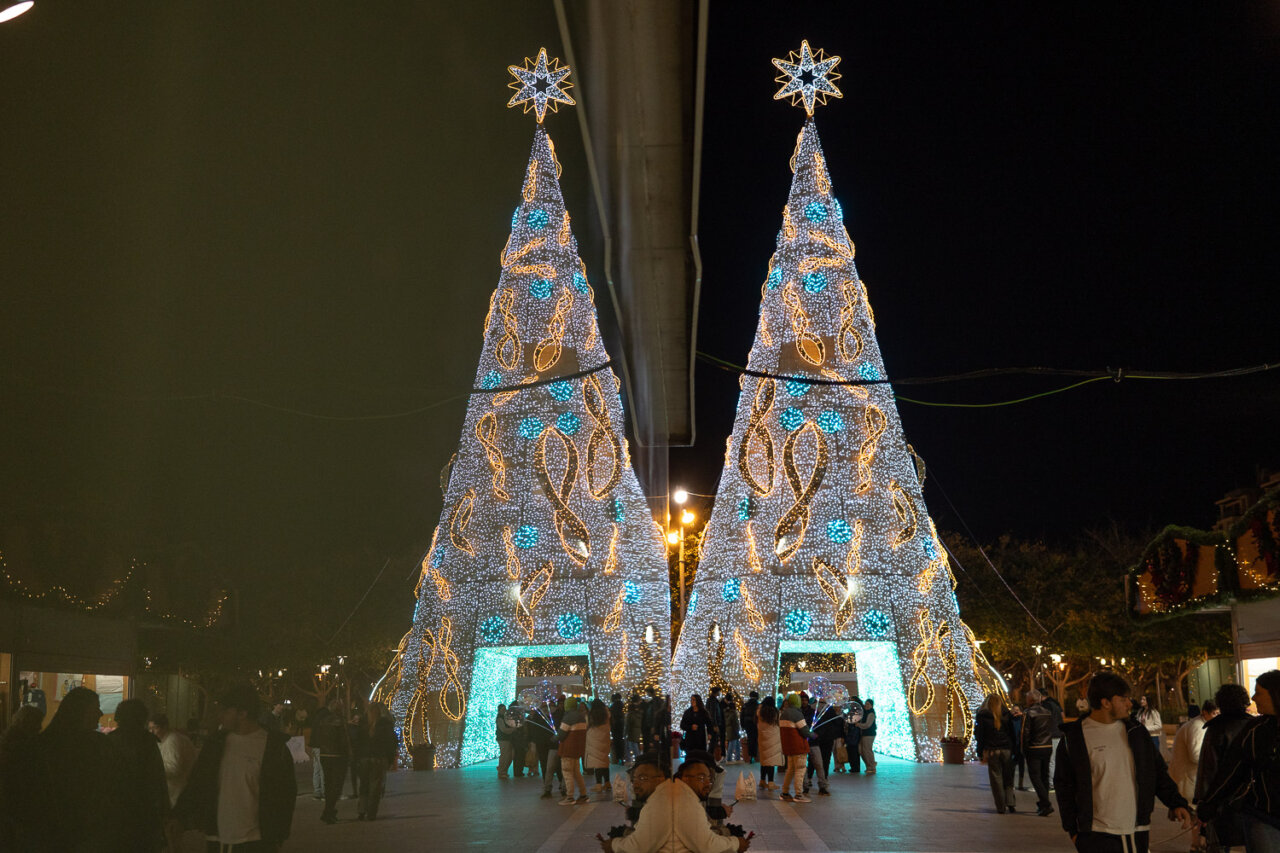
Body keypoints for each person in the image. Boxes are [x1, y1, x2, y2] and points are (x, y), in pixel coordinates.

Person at [1054, 672, 1192, 853]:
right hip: (1096, 835)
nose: (1130, 704)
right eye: (1124, 699)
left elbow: (1156, 772)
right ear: (1106, 703)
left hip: (1137, 831)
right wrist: (1074, 832)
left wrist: (1176, 803)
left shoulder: (1136, 732)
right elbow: (1064, 788)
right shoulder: (1073, 739)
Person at [169, 684, 297, 851]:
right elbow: (197, 782)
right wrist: (179, 816)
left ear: (242, 713)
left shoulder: (274, 748)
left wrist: (278, 835)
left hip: (257, 840)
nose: (220, 716)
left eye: (225, 711)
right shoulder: (216, 744)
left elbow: (285, 794)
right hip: (219, 837)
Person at [1198, 670, 1280, 852]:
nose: (1253, 697)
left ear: (1275, 694)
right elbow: (1232, 769)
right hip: (1263, 816)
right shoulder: (1255, 730)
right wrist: (1209, 803)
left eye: (1259, 692)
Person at [601, 754, 748, 853]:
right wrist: (736, 843)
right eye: (636, 779)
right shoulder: (675, 800)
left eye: (709, 778)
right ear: (685, 777)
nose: (635, 785)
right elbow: (640, 845)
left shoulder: (672, 798)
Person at [38, 686, 125, 851]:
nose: (100, 713)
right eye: (95, 708)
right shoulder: (96, 745)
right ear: (80, 711)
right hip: (86, 832)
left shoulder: (45, 743)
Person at [1195, 683, 1253, 853]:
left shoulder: (1216, 729)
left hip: (1221, 798)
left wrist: (1203, 801)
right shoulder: (1254, 725)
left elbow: (1208, 768)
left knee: (1219, 843)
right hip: (1251, 797)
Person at [108, 698, 169, 851]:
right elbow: (158, 779)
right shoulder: (148, 742)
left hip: (115, 814)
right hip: (145, 814)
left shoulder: (110, 741)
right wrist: (165, 812)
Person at [1169, 700, 1216, 851]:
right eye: (1214, 713)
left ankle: (1198, 844)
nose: (1216, 716)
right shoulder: (1197, 727)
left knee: (1197, 816)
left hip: (1189, 778)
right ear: (1205, 712)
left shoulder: (1199, 724)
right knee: (1197, 816)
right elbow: (1196, 755)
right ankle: (1197, 845)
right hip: (1189, 779)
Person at [0, 704, 45, 850]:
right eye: (37, 723)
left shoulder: (8, 742)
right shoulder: (25, 748)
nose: (40, 728)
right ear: (27, 723)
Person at [353, 701, 398, 821]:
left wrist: (357, 758)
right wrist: (389, 759)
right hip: (378, 759)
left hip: (364, 759)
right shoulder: (385, 725)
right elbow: (391, 743)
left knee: (364, 786)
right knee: (375, 787)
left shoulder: (362, 726)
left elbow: (356, 743)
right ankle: (371, 812)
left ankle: (362, 810)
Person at [310, 696, 352, 824]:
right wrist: (349, 753)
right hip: (338, 756)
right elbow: (344, 740)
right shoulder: (340, 721)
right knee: (337, 785)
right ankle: (328, 811)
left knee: (328, 784)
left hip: (325, 755)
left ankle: (329, 810)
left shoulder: (323, 720)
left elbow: (317, 736)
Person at [976, 692, 1018, 814]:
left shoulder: (982, 716)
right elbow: (1012, 733)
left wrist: (980, 751)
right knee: (1008, 777)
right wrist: (1014, 749)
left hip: (992, 750)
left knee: (996, 778)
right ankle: (1010, 803)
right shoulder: (1007, 715)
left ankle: (1000, 806)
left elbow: (980, 736)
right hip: (1006, 749)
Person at [149, 711, 197, 808]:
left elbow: (174, 769)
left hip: (179, 792)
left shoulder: (173, 740)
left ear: (165, 727)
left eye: (155, 728)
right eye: (150, 728)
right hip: (175, 792)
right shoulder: (163, 740)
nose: (151, 732)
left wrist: (151, 770)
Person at [1021, 688, 1056, 816]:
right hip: (1047, 746)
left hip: (1034, 747)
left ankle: (1046, 803)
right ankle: (1043, 804)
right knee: (1044, 776)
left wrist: (1024, 749)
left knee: (1035, 776)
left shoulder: (1028, 713)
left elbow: (1025, 733)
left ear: (1030, 700)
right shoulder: (1047, 712)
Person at [804, 696, 841, 796]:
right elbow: (836, 723)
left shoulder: (812, 708)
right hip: (827, 738)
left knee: (812, 760)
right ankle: (824, 781)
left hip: (815, 738)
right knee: (824, 760)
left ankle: (810, 779)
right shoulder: (829, 709)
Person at [779, 693, 811, 803]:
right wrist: (812, 735)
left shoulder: (783, 714)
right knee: (800, 770)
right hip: (799, 746)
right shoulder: (797, 714)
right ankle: (799, 794)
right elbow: (805, 731)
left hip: (789, 747)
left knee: (790, 770)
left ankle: (785, 792)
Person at [558, 695, 590, 805]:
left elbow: (562, 734)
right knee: (577, 773)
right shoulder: (581, 717)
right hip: (577, 750)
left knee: (567, 773)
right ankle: (583, 795)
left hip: (567, 749)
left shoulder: (568, 718)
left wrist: (554, 738)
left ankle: (570, 797)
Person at [756, 697, 782, 792]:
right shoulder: (775, 713)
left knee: (764, 760)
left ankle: (762, 780)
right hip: (773, 739)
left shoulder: (759, 712)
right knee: (771, 761)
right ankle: (771, 782)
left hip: (762, 738)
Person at [587, 698, 614, 792]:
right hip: (605, 739)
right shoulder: (607, 714)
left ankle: (598, 784)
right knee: (604, 762)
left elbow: (588, 726)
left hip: (594, 740)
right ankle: (607, 783)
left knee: (597, 762)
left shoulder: (592, 714)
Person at [854, 697, 878, 773]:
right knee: (861, 750)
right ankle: (869, 765)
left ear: (871, 705)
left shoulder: (871, 713)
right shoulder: (865, 713)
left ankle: (872, 766)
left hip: (869, 734)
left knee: (867, 750)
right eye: (866, 704)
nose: (866, 705)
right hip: (864, 734)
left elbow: (867, 725)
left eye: (868, 704)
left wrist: (859, 725)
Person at [509, 700, 530, 778]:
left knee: (518, 755)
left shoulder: (513, 715)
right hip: (519, 737)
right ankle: (518, 771)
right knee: (519, 754)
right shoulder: (517, 716)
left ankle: (518, 771)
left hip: (517, 737)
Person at [496, 703, 516, 778]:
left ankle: (503, 770)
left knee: (509, 756)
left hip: (507, 738)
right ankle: (502, 771)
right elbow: (504, 729)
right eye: (503, 709)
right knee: (505, 755)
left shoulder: (505, 717)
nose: (505, 711)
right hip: (503, 739)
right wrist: (513, 729)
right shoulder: (500, 718)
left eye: (505, 709)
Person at [706, 686, 726, 759]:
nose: (719, 693)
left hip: (712, 723)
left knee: (713, 742)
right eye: (719, 691)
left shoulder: (711, 700)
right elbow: (713, 713)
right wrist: (715, 725)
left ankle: (709, 758)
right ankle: (709, 758)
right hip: (713, 724)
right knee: (713, 742)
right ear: (716, 692)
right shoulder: (713, 700)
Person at [625, 694, 645, 764]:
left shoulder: (631, 710)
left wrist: (625, 732)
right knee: (634, 744)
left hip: (632, 729)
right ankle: (637, 759)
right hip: (637, 729)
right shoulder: (640, 710)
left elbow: (628, 722)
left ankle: (632, 760)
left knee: (631, 745)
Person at [740, 691, 759, 764]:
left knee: (750, 739)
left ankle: (750, 756)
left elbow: (742, 715)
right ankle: (755, 755)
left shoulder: (746, 705)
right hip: (755, 724)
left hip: (747, 724)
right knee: (755, 739)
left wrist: (742, 725)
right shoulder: (757, 705)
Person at [724, 693, 742, 763]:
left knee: (736, 744)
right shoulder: (733, 713)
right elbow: (735, 723)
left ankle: (737, 758)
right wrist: (737, 729)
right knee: (732, 744)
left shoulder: (726, 713)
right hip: (733, 731)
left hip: (729, 730)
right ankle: (729, 759)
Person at [610, 693, 627, 765]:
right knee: (621, 741)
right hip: (622, 725)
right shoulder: (623, 705)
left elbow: (612, 716)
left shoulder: (613, 706)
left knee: (616, 742)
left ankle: (617, 758)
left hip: (615, 726)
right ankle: (622, 757)